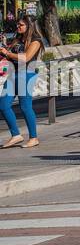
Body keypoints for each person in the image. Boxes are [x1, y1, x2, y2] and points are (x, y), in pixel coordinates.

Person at [0, 14, 45, 149]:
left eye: (21, 25)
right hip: (13, 74)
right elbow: (11, 55)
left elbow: (26, 58)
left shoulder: (36, 41)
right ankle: (16, 135)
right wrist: (4, 51)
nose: (18, 26)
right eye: (18, 24)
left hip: (26, 74)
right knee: (3, 104)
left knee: (25, 107)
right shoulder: (17, 39)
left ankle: (33, 137)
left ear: (29, 26)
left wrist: (7, 54)